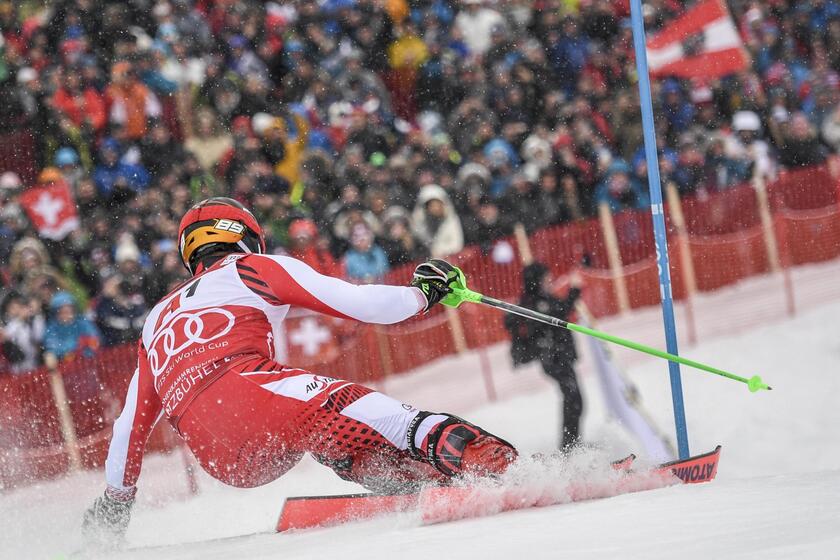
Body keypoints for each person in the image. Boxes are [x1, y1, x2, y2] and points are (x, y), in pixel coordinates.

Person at [83, 198, 517, 546]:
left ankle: (397, 475)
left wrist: (115, 506)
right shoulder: (253, 267)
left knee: (324, 431)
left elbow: (128, 428)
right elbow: (360, 304)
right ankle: (491, 463)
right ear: (246, 236)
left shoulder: (155, 319)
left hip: (219, 455)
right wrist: (424, 294)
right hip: (253, 395)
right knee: (369, 411)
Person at [504, 263, 583, 450]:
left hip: (559, 357)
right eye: (546, 278)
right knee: (573, 398)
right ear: (537, 281)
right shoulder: (535, 303)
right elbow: (560, 312)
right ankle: (569, 447)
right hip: (553, 358)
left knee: (575, 400)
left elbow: (559, 309)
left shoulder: (542, 299)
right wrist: (574, 291)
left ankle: (571, 445)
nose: (550, 281)